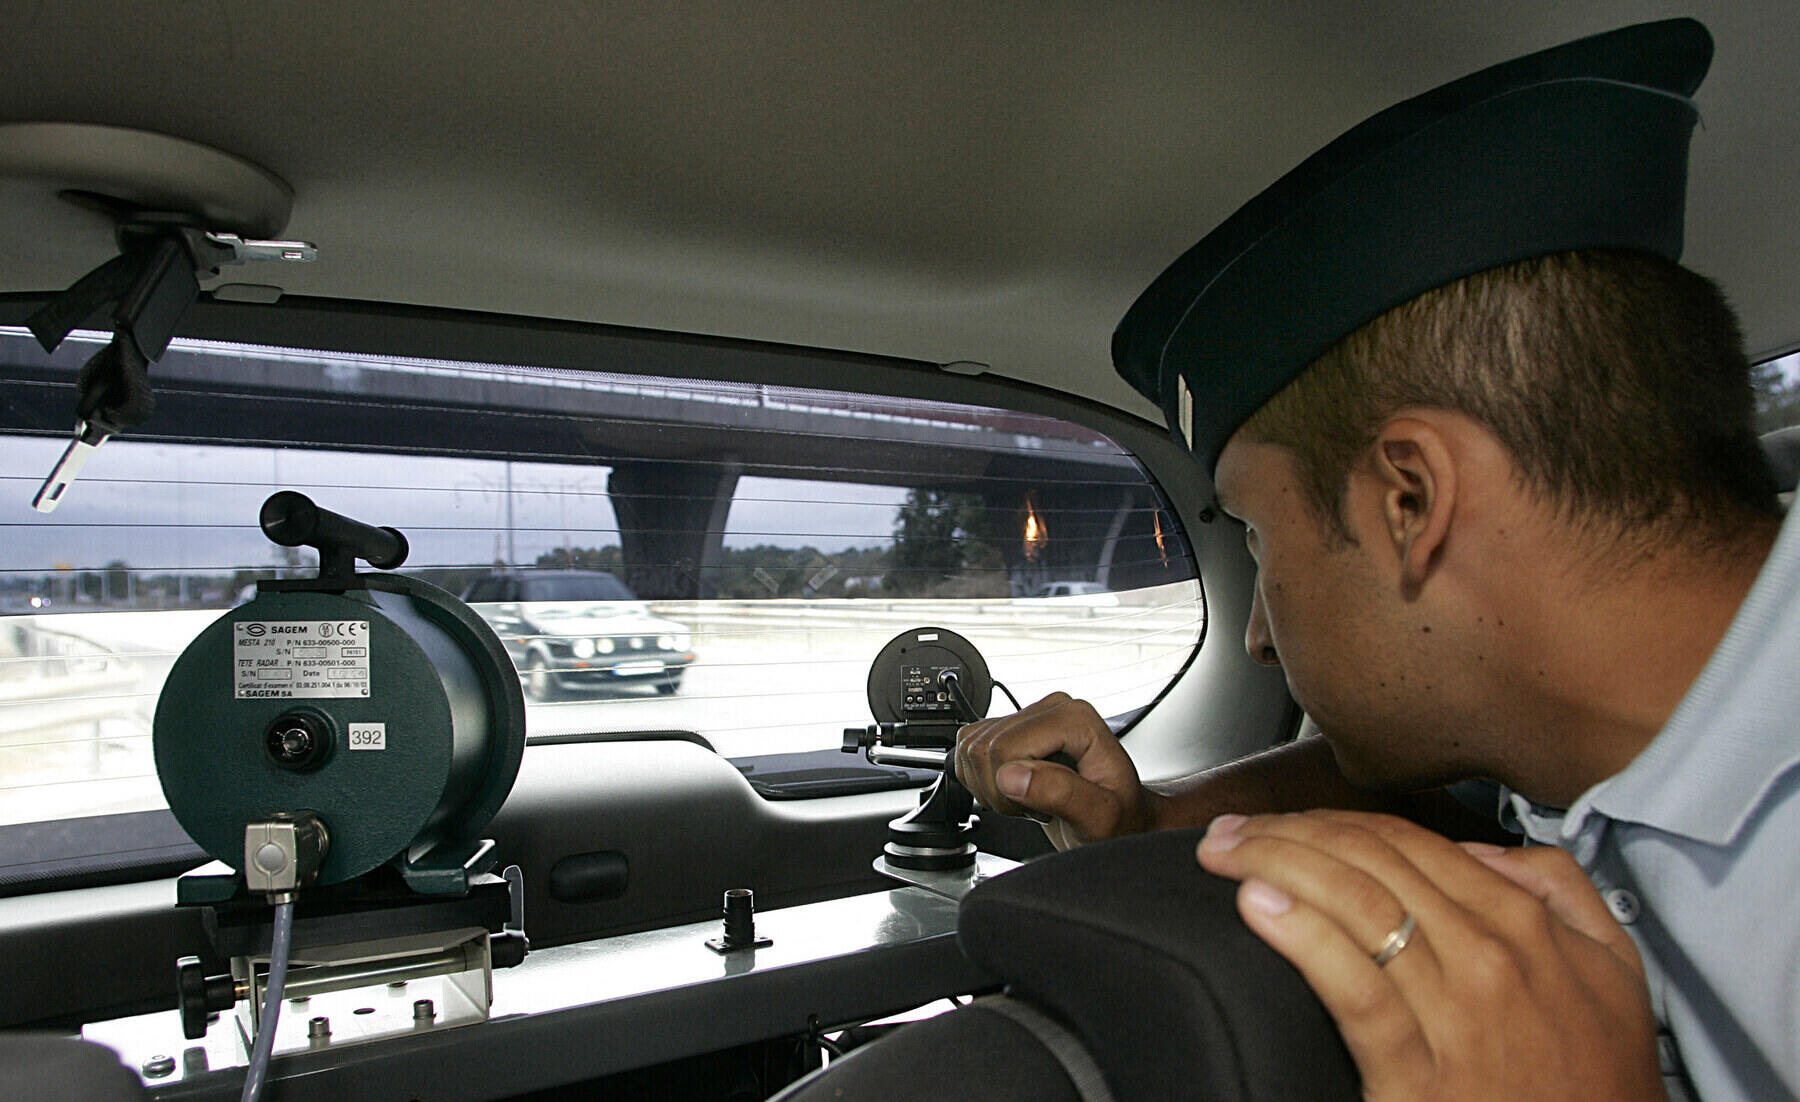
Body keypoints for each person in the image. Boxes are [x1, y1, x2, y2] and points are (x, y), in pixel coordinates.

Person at [956, 18, 1797, 1102]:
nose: (1257, 630)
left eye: (1258, 536)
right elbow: (1452, 777)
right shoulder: (1599, 732)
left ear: (1412, 499)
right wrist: (1153, 821)